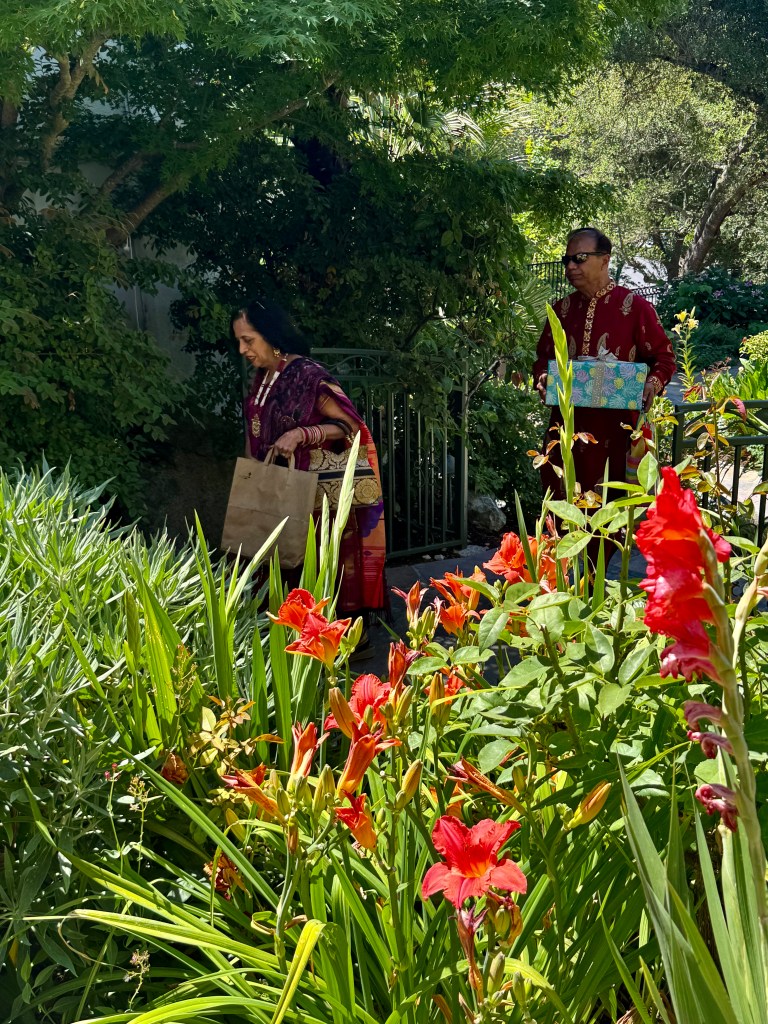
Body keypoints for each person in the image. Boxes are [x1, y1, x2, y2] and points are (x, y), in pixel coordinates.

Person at [232, 301, 386, 619]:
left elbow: (350, 424)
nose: (242, 349)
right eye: (239, 341)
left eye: (248, 340)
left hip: (311, 499)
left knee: (310, 575)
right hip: (273, 492)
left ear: (271, 336)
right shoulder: (262, 377)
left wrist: (302, 434)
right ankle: (283, 639)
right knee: (274, 568)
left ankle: (326, 641)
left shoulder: (307, 375)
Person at [533, 227, 677, 501]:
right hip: (566, 430)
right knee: (563, 506)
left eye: (580, 258)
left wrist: (652, 384)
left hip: (617, 435)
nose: (570, 266)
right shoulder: (561, 310)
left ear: (605, 260)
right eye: (567, 260)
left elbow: (664, 358)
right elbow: (543, 358)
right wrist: (542, 377)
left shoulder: (636, 308)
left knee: (614, 510)